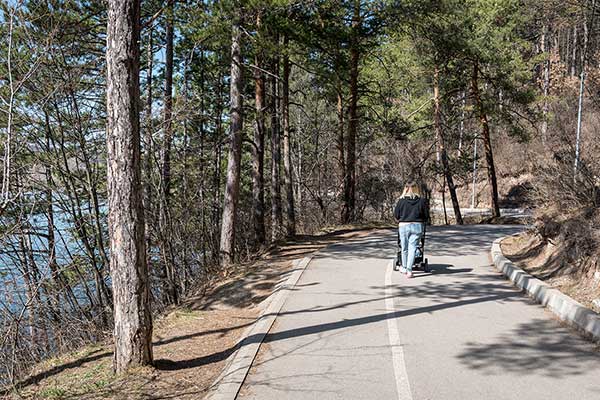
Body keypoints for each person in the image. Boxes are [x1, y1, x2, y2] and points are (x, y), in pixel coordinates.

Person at [393, 181, 429, 278]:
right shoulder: (421, 200)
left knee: (404, 248)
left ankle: (404, 267)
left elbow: (396, 215)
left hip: (404, 226)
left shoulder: (401, 201)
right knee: (413, 248)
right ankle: (409, 270)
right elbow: (426, 215)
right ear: (416, 189)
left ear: (405, 189)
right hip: (417, 226)